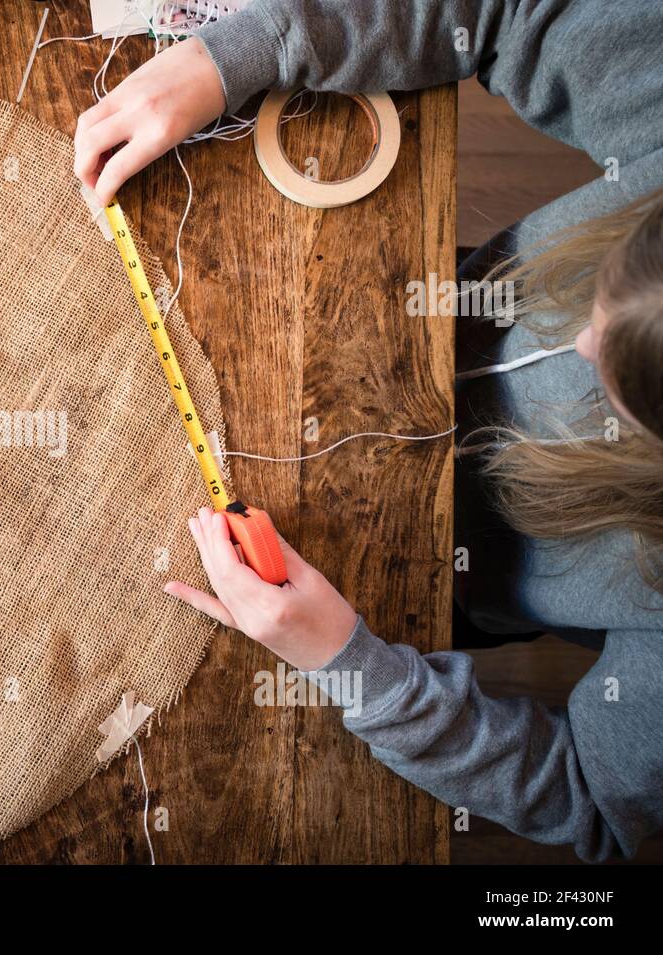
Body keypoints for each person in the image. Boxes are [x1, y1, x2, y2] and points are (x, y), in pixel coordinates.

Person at [74, 0, 663, 861]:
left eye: (620, 395)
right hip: (396, 305)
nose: (576, 342)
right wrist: (232, 58)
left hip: (427, 580)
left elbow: (591, 805)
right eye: (605, 284)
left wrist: (344, 657)